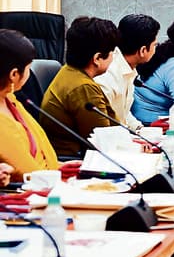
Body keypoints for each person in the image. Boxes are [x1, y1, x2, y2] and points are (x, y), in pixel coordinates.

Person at [40, 17, 120, 157]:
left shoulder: (68, 71)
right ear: (97, 58)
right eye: (112, 52)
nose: (114, 57)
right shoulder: (83, 87)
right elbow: (104, 142)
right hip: (75, 160)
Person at [0, 30, 58, 179]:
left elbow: (37, 154)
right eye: (28, 69)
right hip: (28, 189)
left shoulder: (10, 99)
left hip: (47, 180)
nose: (29, 74)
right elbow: (26, 170)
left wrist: (61, 168)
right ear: (14, 74)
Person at [95, 14, 160, 131]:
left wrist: (139, 129)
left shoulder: (128, 68)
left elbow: (123, 113)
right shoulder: (109, 73)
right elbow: (103, 124)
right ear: (143, 50)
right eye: (155, 45)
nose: (156, 49)